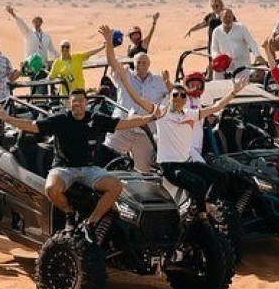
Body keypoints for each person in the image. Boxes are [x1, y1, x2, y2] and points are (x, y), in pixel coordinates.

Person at [0, 89, 161, 243]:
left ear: (86, 102)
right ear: (70, 103)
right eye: (74, 101)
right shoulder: (61, 120)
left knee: (116, 186)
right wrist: (7, 119)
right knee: (51, 189)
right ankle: (69, 213)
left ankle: (91, 222)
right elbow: (33, 126)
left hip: (90, 169)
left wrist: (150, 118)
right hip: (64, 168)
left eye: (80, 101)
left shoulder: (95, 119)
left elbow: (123, 124)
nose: (77, 104)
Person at [106, 34, 247, 208]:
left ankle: (207, 206)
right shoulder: (161, 113)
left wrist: (234, 93)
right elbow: (137, 99)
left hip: (183, 159)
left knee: (221, 177)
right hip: (164, 160)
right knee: (197, 183)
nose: (179, 97)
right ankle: (201, 213)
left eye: (182, 95)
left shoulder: (190, 113)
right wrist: (125, 80)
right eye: (175, 95)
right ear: (170, 98)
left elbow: (216, 107)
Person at [103, 49, 167, 173]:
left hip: (145, 132)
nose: (141, 65)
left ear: (149, 64)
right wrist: (109, 43)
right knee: (108, 163)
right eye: (138, 62)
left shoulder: (159, 81)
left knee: (143, 170)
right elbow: (111, 61)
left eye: (144, 62)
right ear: (134, 63)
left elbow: (171, 96)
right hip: (122, 127)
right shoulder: (125, 75)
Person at [209, 8, 262, 79]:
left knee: (243, 84)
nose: (228, 19)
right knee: (219, 82)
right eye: (225, 17)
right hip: (224, 66)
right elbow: (214, 48)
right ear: (220, 18)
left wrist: (257, 55)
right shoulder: (216, 31)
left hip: (242, 65)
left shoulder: (241, 28)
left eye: (230, 17)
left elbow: (251, 42)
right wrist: (218, 58)